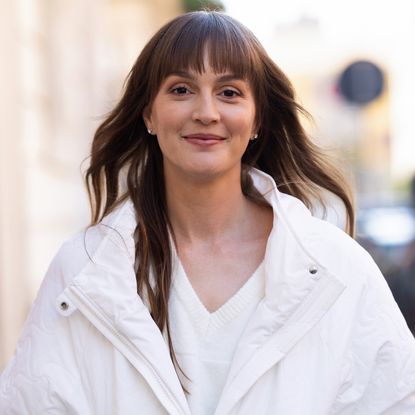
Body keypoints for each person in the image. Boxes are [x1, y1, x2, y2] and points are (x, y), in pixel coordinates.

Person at [1, 10, 415, 415]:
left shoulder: (335, 269)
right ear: (148, 112)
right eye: (181, 89)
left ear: (257, 120)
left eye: (229, 92)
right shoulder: (85, 271)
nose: (206, 112)